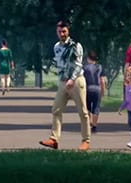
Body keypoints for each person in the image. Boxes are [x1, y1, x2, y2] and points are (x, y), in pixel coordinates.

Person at [39, 20, 91, 151]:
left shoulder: (75, 45)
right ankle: (54, 139)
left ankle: (86, 141)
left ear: (68, 31)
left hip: (77, 81)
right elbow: (59, 63)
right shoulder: (56, 46)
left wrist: (72, 79)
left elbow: (79, 65)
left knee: (83, 112)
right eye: (59, 31)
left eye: (64, 31)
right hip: (63, 81)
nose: (61, 34)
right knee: (56, 109)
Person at [83, 53, 104, 135]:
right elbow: (102, 80)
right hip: (97, 89)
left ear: (88, 58)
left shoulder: (84, 68)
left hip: (88, 89)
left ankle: (88, 124)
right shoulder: (100, 67)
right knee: (96, 108)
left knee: (87, 107)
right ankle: (94, 126)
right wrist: (103, 91)